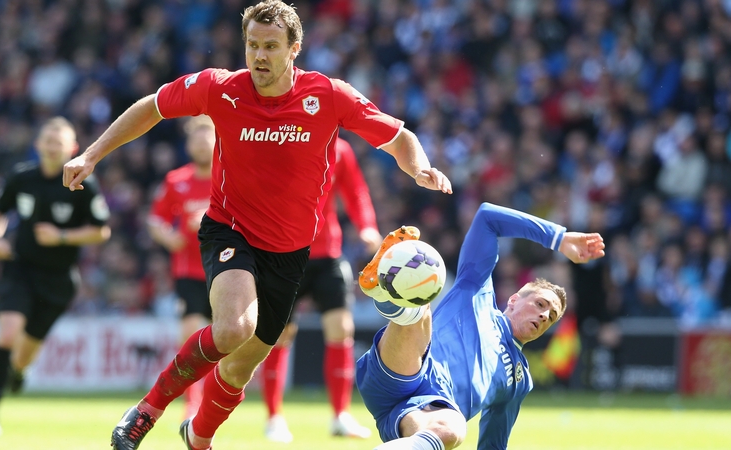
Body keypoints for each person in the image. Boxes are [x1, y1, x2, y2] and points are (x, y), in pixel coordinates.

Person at [61, 1, 452, 449]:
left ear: (294, 50)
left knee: (239, 367)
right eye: (252, 45)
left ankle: (198, 437)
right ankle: (147, 409)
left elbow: (399, 137)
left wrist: (419, 167)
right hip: (230, 230)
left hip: (290, 254)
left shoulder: (328, 95)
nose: (259, 56)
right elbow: (151, 107)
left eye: (270, 46)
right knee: (232, 329)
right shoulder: (218, 88)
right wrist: (91, 154)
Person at [356, 202, 605, 449]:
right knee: (423, 300)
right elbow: (487, 217)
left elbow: (493, 443)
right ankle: (390, 281)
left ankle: (390, 289)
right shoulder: (477, 290)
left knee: (451, 429)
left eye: (551, 317)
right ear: (514, 300)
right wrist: (557, 238)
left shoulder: (519, 379)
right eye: (541, 304)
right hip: (404, 369)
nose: (544, 316)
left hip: (425, 410)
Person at [0, 117, 111, 439]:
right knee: (7, 334)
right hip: (20, 268)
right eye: (48, 140)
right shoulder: (22, 176)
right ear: (38, 145)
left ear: (73, 148)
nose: (53, 147)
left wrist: (62, 237)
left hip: (58, 281)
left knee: (24, 355)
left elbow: (101, 231)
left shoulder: (83, 182)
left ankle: (18, 371)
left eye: (59, 142)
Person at [260, 137, 380, 443]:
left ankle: (340, 416)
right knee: (279, 336)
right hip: (284, 256)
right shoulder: (280, 143)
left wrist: (366, 225)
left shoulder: (339, 149)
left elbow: (355, 191)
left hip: (328, 253)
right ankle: (274, 418)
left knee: (342, 328)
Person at [147, 115, 215, 419]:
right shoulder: (177, 180)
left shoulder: (231, 176)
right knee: (191, 336)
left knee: (226, 342)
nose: (201, 144)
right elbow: (155, 218)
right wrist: (168, 236)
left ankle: (213, 402)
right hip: (189, 272)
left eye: (207, 138)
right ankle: (193, 402)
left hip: (227, 271)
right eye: (196, 139)